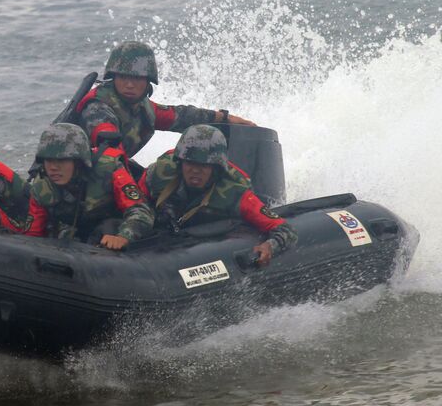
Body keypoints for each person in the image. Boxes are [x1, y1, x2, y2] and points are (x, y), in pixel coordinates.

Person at [76, 41, 256, 166]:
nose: (129, 84)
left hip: (110, 172)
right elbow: (108, 148)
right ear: (113, 77)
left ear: (148, 82)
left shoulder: (140, 108)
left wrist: (224, 117)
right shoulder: (98, 108)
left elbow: (180, 116)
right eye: (123, 77)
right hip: (79, 183)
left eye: (137, 78)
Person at [138, 124, 297, 266]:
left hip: (207, 240)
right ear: (180, 163)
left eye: (203, 166)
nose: (195, 171)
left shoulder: (235, 192)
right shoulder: (159, 174)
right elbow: (135, 204)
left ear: (216, 169)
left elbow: (285, 229)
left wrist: (269, 246)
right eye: (190, 163)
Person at [23, 123, 154, 250]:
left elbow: (141, 211)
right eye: (48, 160)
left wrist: (124, 236)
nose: (53, 168)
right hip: (74, 237)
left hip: (111, 231)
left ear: (79, 161)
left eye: (62, 160)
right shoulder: (42, 186)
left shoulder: (109, 169)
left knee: (108, 227)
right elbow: (34, 233)